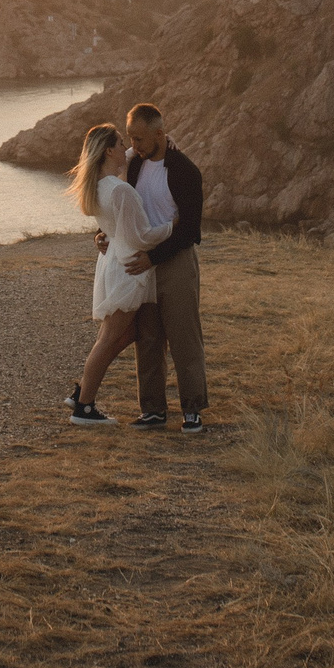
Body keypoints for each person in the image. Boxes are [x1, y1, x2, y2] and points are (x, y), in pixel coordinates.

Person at [65, 122, 170, 425]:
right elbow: (143, 236)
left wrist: (146, 144)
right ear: (109, 150)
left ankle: (83, 390)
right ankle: (84, 407)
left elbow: (121, 228)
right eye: (122, 143)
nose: (128, 148)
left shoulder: (97, 184)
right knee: (110, 338)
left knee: (126, 333)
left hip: (114, 263)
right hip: (129, 267)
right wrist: (174, 225)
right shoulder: (120, 190)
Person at [115, 102, 208, 431]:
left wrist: (154, 257)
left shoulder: (184, 170)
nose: (134, 146)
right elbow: (121, 209)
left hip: (175, 261)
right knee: (148, 338)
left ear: (159, 134)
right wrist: (104, 235)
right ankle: (153, 410)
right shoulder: (133, 165)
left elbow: (190, 230)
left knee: (184, 337)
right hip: (144, 264)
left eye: (139, 139)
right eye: (130, 138)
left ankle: (192, 408)